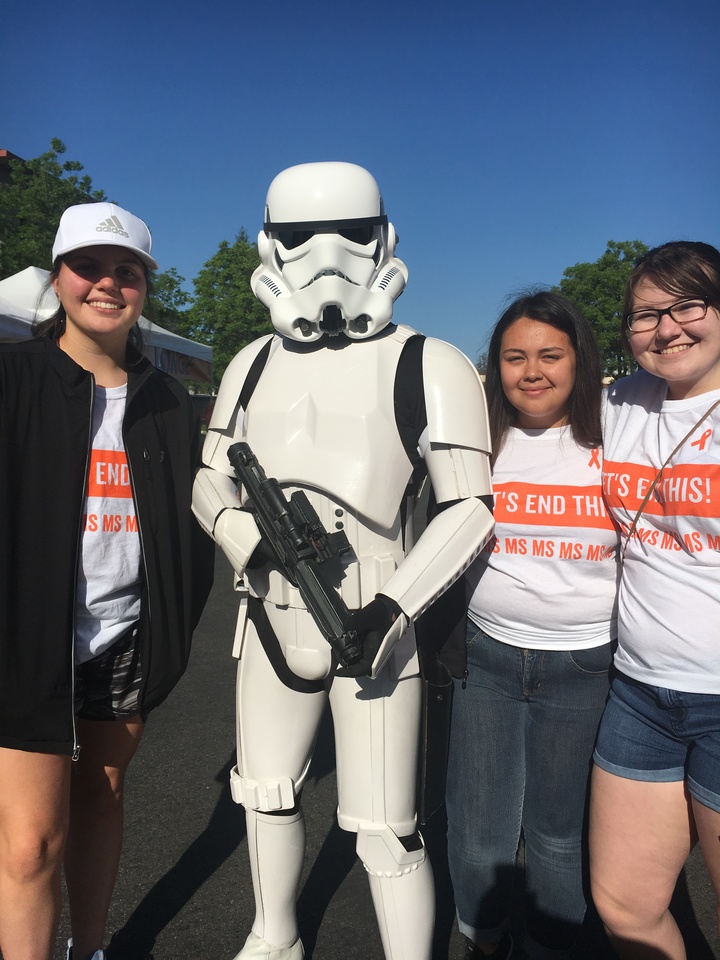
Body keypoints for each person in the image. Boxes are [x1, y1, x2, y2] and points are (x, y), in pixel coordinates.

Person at [192, 161, 495, 960]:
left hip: (379, 617)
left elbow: (469, 506)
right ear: (271, 245)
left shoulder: (430, 362)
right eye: (299, 236)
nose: (327, 255)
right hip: (269, 611)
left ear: (383, 241)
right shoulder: (250, 363)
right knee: (263, 794)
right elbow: (208, 477)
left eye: (352, 234)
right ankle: (273, 933)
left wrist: (397, 609)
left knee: (386, 830)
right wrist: (243, 536)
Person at [0, 201, 214, 960]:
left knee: (104, 793)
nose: (106, 283)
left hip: (128, 634)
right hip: (30, 641)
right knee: (28, 845)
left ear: (145, 286)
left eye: (126, 271)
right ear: (58, 278)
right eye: (87, 266)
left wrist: (176, 622)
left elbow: (195, 525)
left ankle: (87, 947)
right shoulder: (14, 377)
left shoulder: (168, 404)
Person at [445, 291, 618, 960]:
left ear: (579, 361)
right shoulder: (476, 442)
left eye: (550, 355)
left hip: (583, 665)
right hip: (487, 657)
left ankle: (551, 946)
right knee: (479, 827)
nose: (532, 371)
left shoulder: (615, 439)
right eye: (515, 357)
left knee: (558, 833)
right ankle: (482, 940)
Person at [590, 241, 720, 960]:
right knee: (625, 906)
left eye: (689, 305)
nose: (668, 328)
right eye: (646, 315)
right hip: (640, 695)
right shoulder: (620, 403)